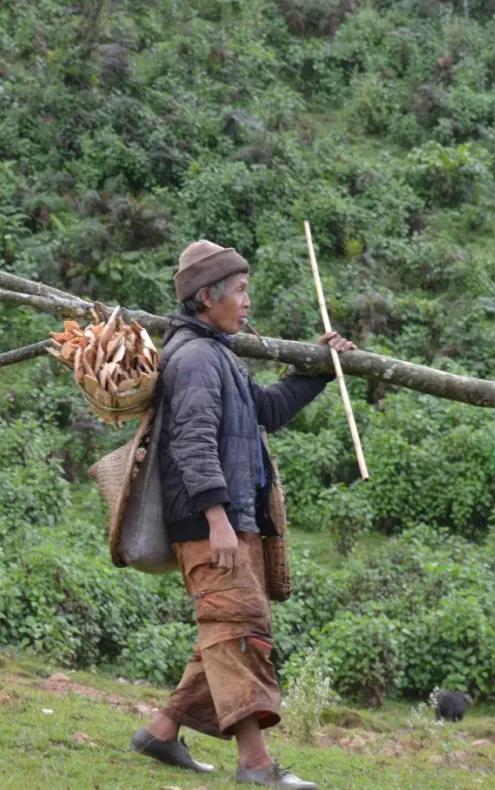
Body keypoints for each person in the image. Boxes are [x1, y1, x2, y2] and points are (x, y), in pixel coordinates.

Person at [130, 240, 356, 789]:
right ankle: (257, 766)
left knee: (226, 628)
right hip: (211, 522)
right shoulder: (194, 360)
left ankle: (160, 733)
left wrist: (319, 367)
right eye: (240, 291)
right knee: (237, 631)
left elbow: (268, 411)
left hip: (233, 518)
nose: (247, 301)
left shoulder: (220, 356)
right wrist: (218, 519)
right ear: (207, 297)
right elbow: (192, 443)